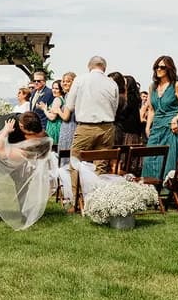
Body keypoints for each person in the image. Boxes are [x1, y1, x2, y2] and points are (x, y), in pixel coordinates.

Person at [65, 56, 119, 212]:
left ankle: (75, 202)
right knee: (100, 165)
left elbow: (70, 105)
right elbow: (114, 108)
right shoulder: (112, 83)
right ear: (104, 67)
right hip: (107, 127)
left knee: (75, 162)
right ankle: (97, 201)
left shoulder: (81, 80)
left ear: (89, 66)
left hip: (86, 127)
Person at [142, 56, 178, 180]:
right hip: (156, 127)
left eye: (162, 67)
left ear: (169, 69)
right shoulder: (153, 87)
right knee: (149, 160)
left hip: (171, 128)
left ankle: (167, 191)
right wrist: (148, 127)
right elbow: (151, 109)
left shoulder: (176, 85)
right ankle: (150, 189)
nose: (159, 69)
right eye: (156, 66)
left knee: (168, 161)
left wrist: (176, 119)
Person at [56, 72, 77, 162]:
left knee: (66, 155)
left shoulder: (71, 95)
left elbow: (65, 117)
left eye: (68, 81)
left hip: (69, 128)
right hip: (69, 127)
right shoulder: (69, 95)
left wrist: (57, 110)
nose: (65, 83)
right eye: (63, 81)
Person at [38, 80, 64, 145]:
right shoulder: (62, 98)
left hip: (54, 128)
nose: (54, 90)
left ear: (61, 89)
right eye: (53, 88)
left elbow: (52, 117)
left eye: (57, 89)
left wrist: (44, 109)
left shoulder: (57, 99)